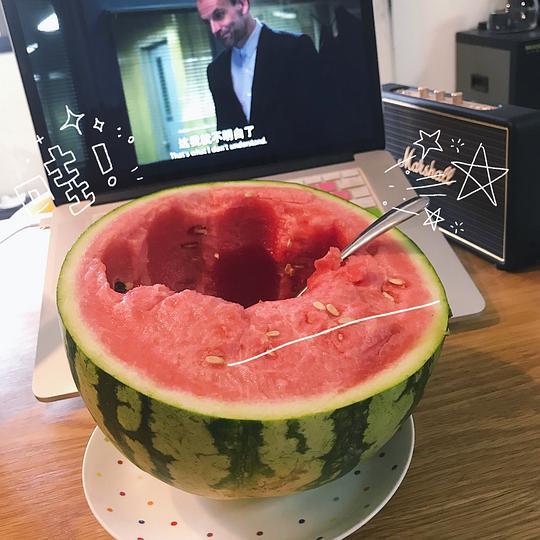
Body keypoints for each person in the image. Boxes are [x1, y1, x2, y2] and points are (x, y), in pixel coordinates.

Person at [197, 0, 327, 157]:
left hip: (300, 164)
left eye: (219, 15)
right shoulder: (216, 71)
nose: (214, 29)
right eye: (207, 22)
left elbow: (322, 123)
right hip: (247, 170)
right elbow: (226, 135)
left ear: (243, 5)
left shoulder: (295, 48)